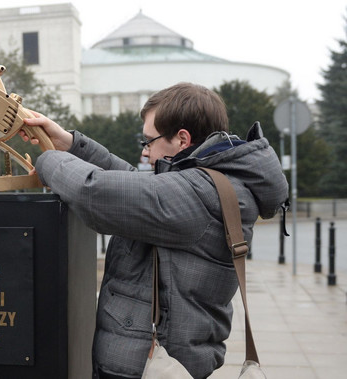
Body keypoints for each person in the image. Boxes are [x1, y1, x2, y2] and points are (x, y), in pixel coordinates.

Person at [21, 82, 289, 379]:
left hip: (149, 367)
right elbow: (135, 183)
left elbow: (94, 193)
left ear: (182, 139)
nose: (146, 153)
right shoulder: (210, 183)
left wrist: (48, 159)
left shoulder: (198, 194)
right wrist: (71, 145)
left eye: (149, 141)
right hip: (157, 362)